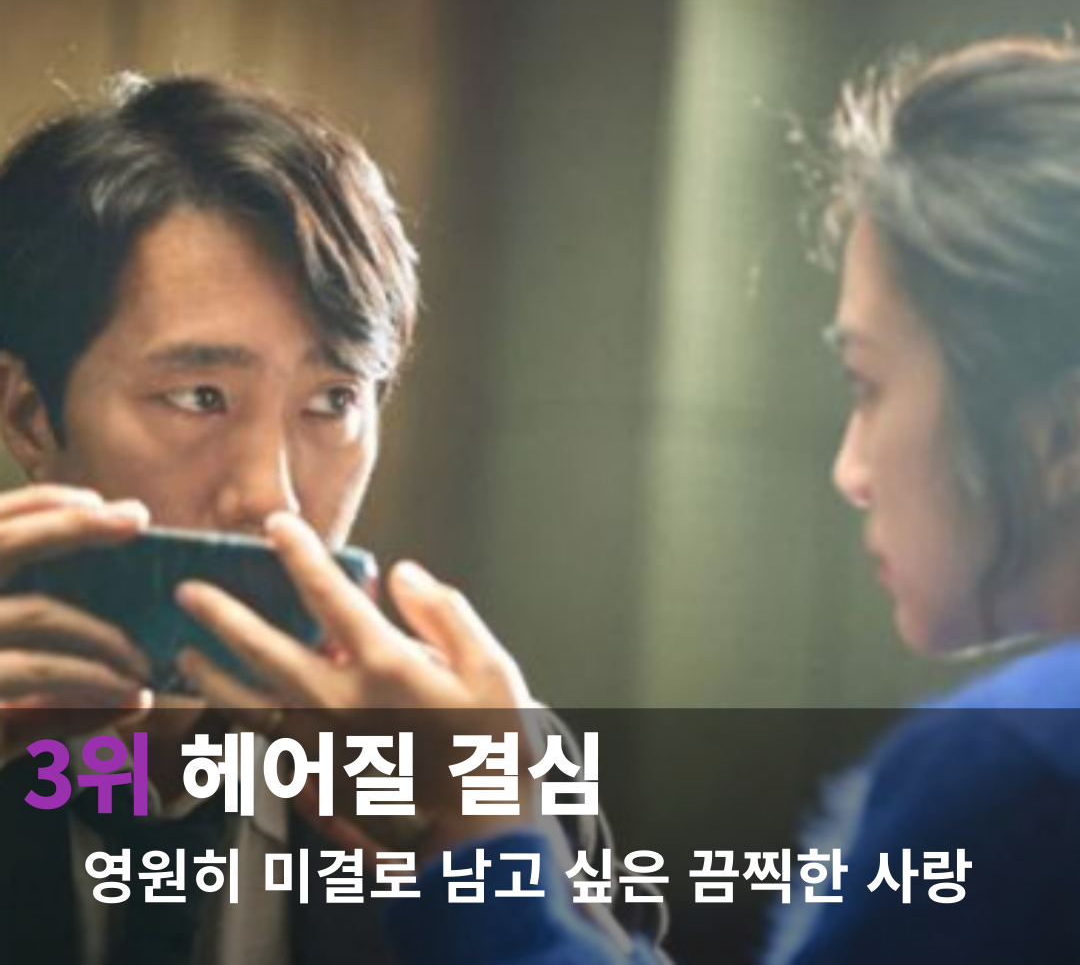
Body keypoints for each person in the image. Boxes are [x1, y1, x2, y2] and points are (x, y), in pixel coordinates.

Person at [182, 36, 1080, 964]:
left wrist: (484, 840)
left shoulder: (1014, 769)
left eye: (868, 384)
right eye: (199, 396)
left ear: (1055, 433)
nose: (850, 470)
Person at [0, 74, 651, 965]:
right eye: (200, 396)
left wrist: (469, 852)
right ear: (30, 416)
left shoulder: (488, 764)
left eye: (333, 401)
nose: (272, 500)